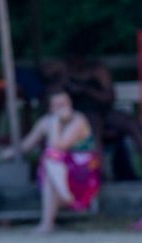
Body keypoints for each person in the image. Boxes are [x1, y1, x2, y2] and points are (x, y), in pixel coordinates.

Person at [58, 39, 142, 181]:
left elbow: (109, 97)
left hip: (103, 111)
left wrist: (86, 90)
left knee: (133, 124)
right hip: (79, 117)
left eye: (77, 57)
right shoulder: (65, 73)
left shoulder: (97, 70)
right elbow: (55, 97)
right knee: (93, 127)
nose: (75, 61)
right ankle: (99, 174)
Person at [17, 85, 100, 232]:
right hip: (59, 176)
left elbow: (59, 145)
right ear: (50, 107)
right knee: (50, 170)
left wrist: (55, 121)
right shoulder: (45, 122)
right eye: (58, 105)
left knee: (51, 155)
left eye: (65, 103)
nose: (63, 108)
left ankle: (58, 205)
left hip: (83, 173)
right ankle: (48, 221)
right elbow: (24, 147)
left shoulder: (78, 120)